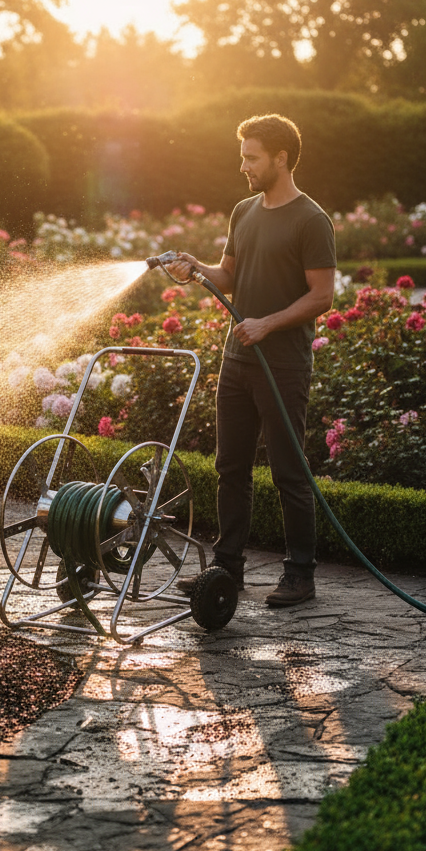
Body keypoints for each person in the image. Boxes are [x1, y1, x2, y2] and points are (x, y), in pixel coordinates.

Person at [170, 114, 336, 607]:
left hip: (282, 364)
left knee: (289, 471)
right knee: (230, 467)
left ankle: (300, 575)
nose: (242, 165)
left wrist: (267, 324)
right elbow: (227, 275)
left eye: (251, 157)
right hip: (237, 360)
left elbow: (322, 295)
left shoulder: (311, 220)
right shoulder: (243, 211)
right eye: (243, 156)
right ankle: (228, 568)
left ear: (280, 158)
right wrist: (194, 269)